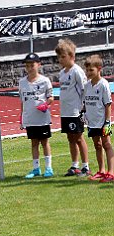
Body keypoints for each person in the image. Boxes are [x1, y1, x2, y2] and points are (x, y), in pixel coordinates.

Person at [55, 38, 90, 177]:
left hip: (76, 111)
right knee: (70, 138)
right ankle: (74, 165)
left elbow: (84, 90)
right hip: (66, 111)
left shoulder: (77, 71)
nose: (60, 59)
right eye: (59, 57)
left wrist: (84, 109)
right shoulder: (62, 73)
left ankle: (85, 166)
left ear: (72, 56)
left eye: (63, 57)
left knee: (79, 137)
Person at [19, 52, 54, 179]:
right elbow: (23, 101)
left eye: (32, 65)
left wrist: (45, 105)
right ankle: (36, 168)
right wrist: (22, 118)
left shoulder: (44, 81)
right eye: (27, 65)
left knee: (44, 142)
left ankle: (49, 168)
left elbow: (51, 97)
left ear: (38, 65)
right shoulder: (22, 82)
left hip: (42, 118)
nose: (29, 68)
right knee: (34, 143)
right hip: (30, 118)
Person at [83, 55, 114, 182]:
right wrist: (83, 114)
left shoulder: (103, 85)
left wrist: (107, 122)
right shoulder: (87, 86)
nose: (89, 73)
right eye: (87, 70)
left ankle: (111, 172)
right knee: (97, 145)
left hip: (103, 122)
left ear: (99, 69)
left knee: (107, 144)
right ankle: (101, 170)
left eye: (91, 70)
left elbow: (108, 105)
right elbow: (86, 102)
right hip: (92, 121)